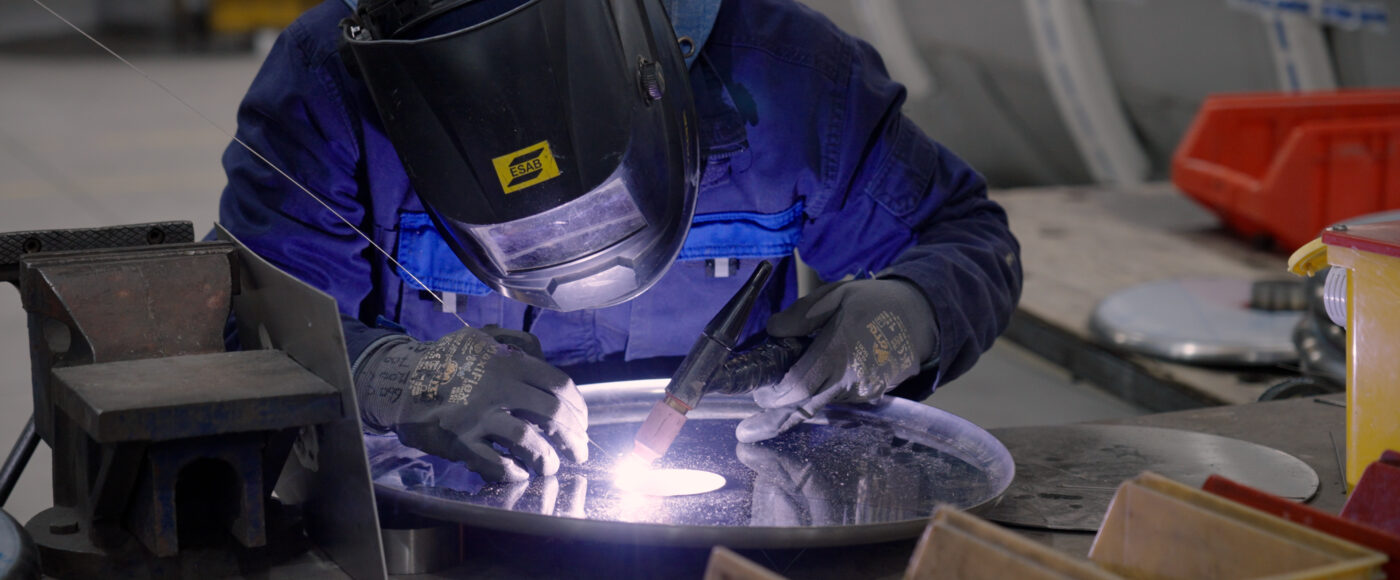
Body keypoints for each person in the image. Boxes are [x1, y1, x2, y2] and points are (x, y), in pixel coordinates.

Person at [217, 0, 1022, 483]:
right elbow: (252, 326)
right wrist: (397, 376)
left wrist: (904, 316)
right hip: (443, 529)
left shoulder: (785, 74)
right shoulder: (332, 85)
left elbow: (966, 236)